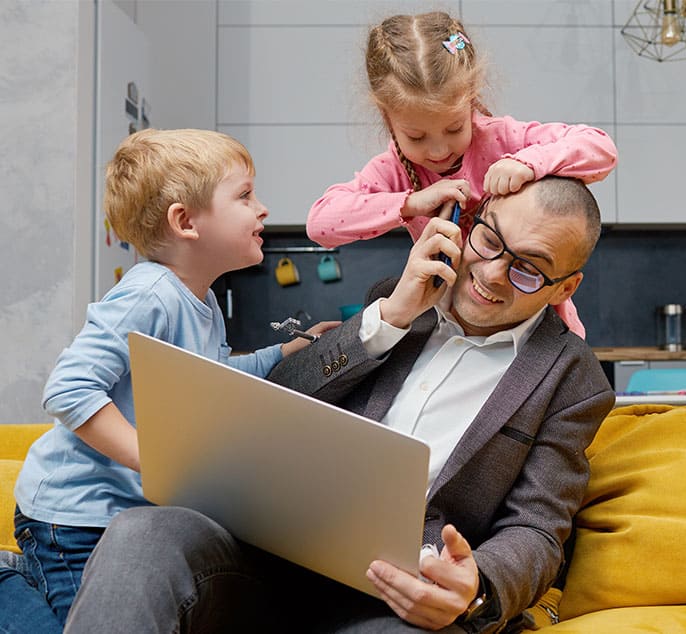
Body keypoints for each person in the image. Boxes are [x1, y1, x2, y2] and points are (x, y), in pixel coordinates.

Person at [63, 175, 616, 633]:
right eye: (490, 243)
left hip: (395, 595)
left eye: (528, 268)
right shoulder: (397, 297)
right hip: (269, 553)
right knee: (146, 533)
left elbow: (539, 529)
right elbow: (280, 396)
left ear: (565, 287)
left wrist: (475, 589)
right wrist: (390, 318)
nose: (491, 275)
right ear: (465, 228)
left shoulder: (571, 377)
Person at [0, 128, 336, 633]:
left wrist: (284, 351)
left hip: (117, 520)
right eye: (244, 196)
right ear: (185, 222)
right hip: (75, 520)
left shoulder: (202, 303)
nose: (262, 208)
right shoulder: (150, 294)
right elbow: (68, 389)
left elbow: (215, 377)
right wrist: (154, 458)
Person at [307, 11, 618, 339]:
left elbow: (601, 149)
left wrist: (529, 162)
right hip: (455, 326)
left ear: (471, 99)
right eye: (416, 137)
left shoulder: (502, 139)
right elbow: (320, 225)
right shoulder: (393, 171)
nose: (439, 151)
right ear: (387, 118)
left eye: (454, 128)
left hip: (534, 327)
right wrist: (411, 203)